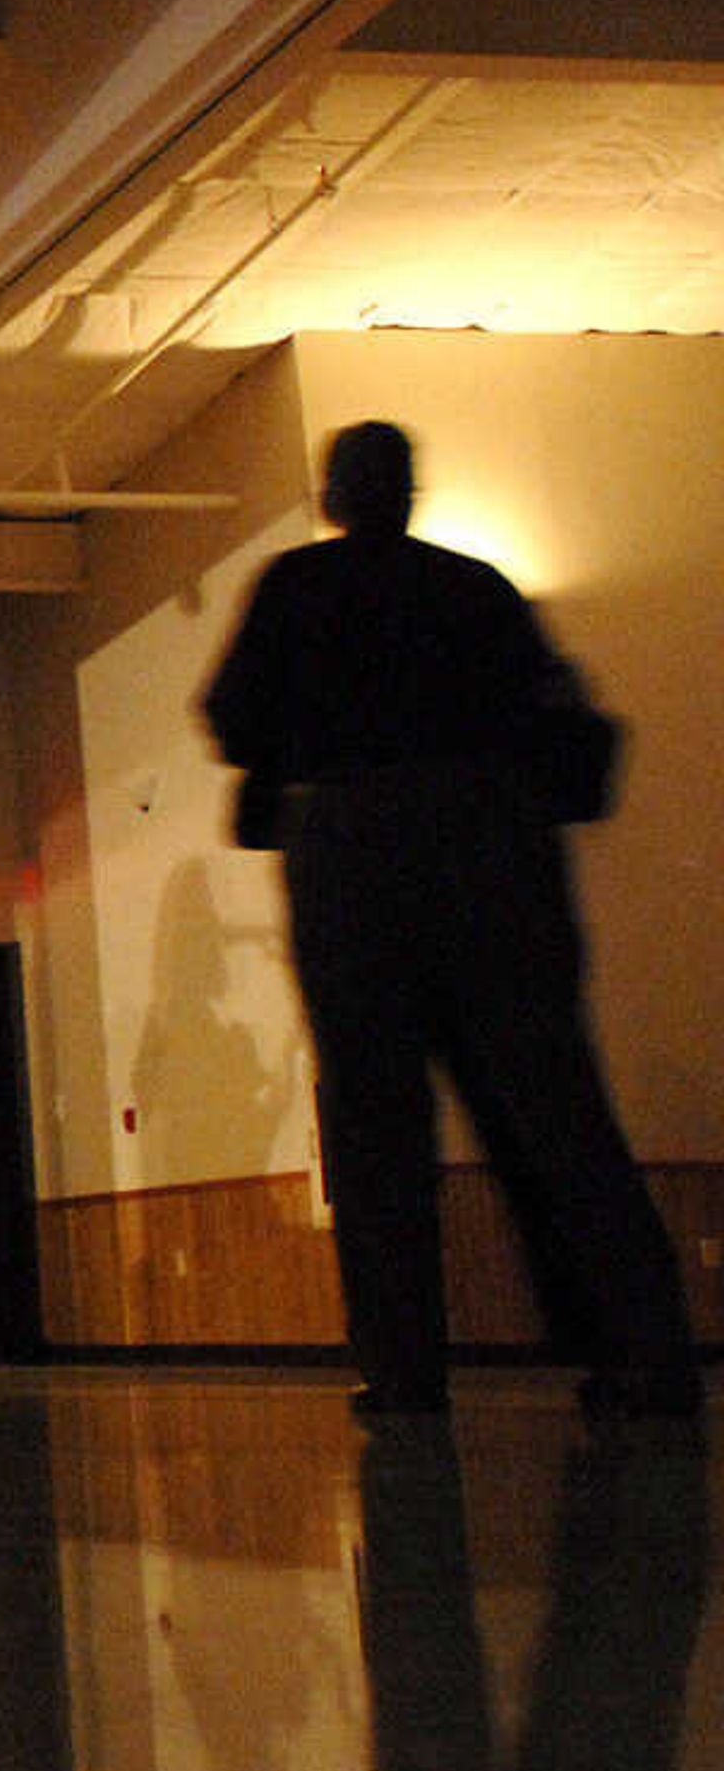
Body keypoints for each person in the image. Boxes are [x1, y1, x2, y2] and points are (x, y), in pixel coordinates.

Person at [202, 421, 700, 1426]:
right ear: (411, 492)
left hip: (354, 868)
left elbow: (233, 718)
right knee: (558, 1114)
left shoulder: (297, 588)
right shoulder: (480, 589)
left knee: (378, 1130)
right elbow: (556, 723)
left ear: (336, 496)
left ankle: (405, 1373)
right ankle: (646, 1352)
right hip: (497, 863)